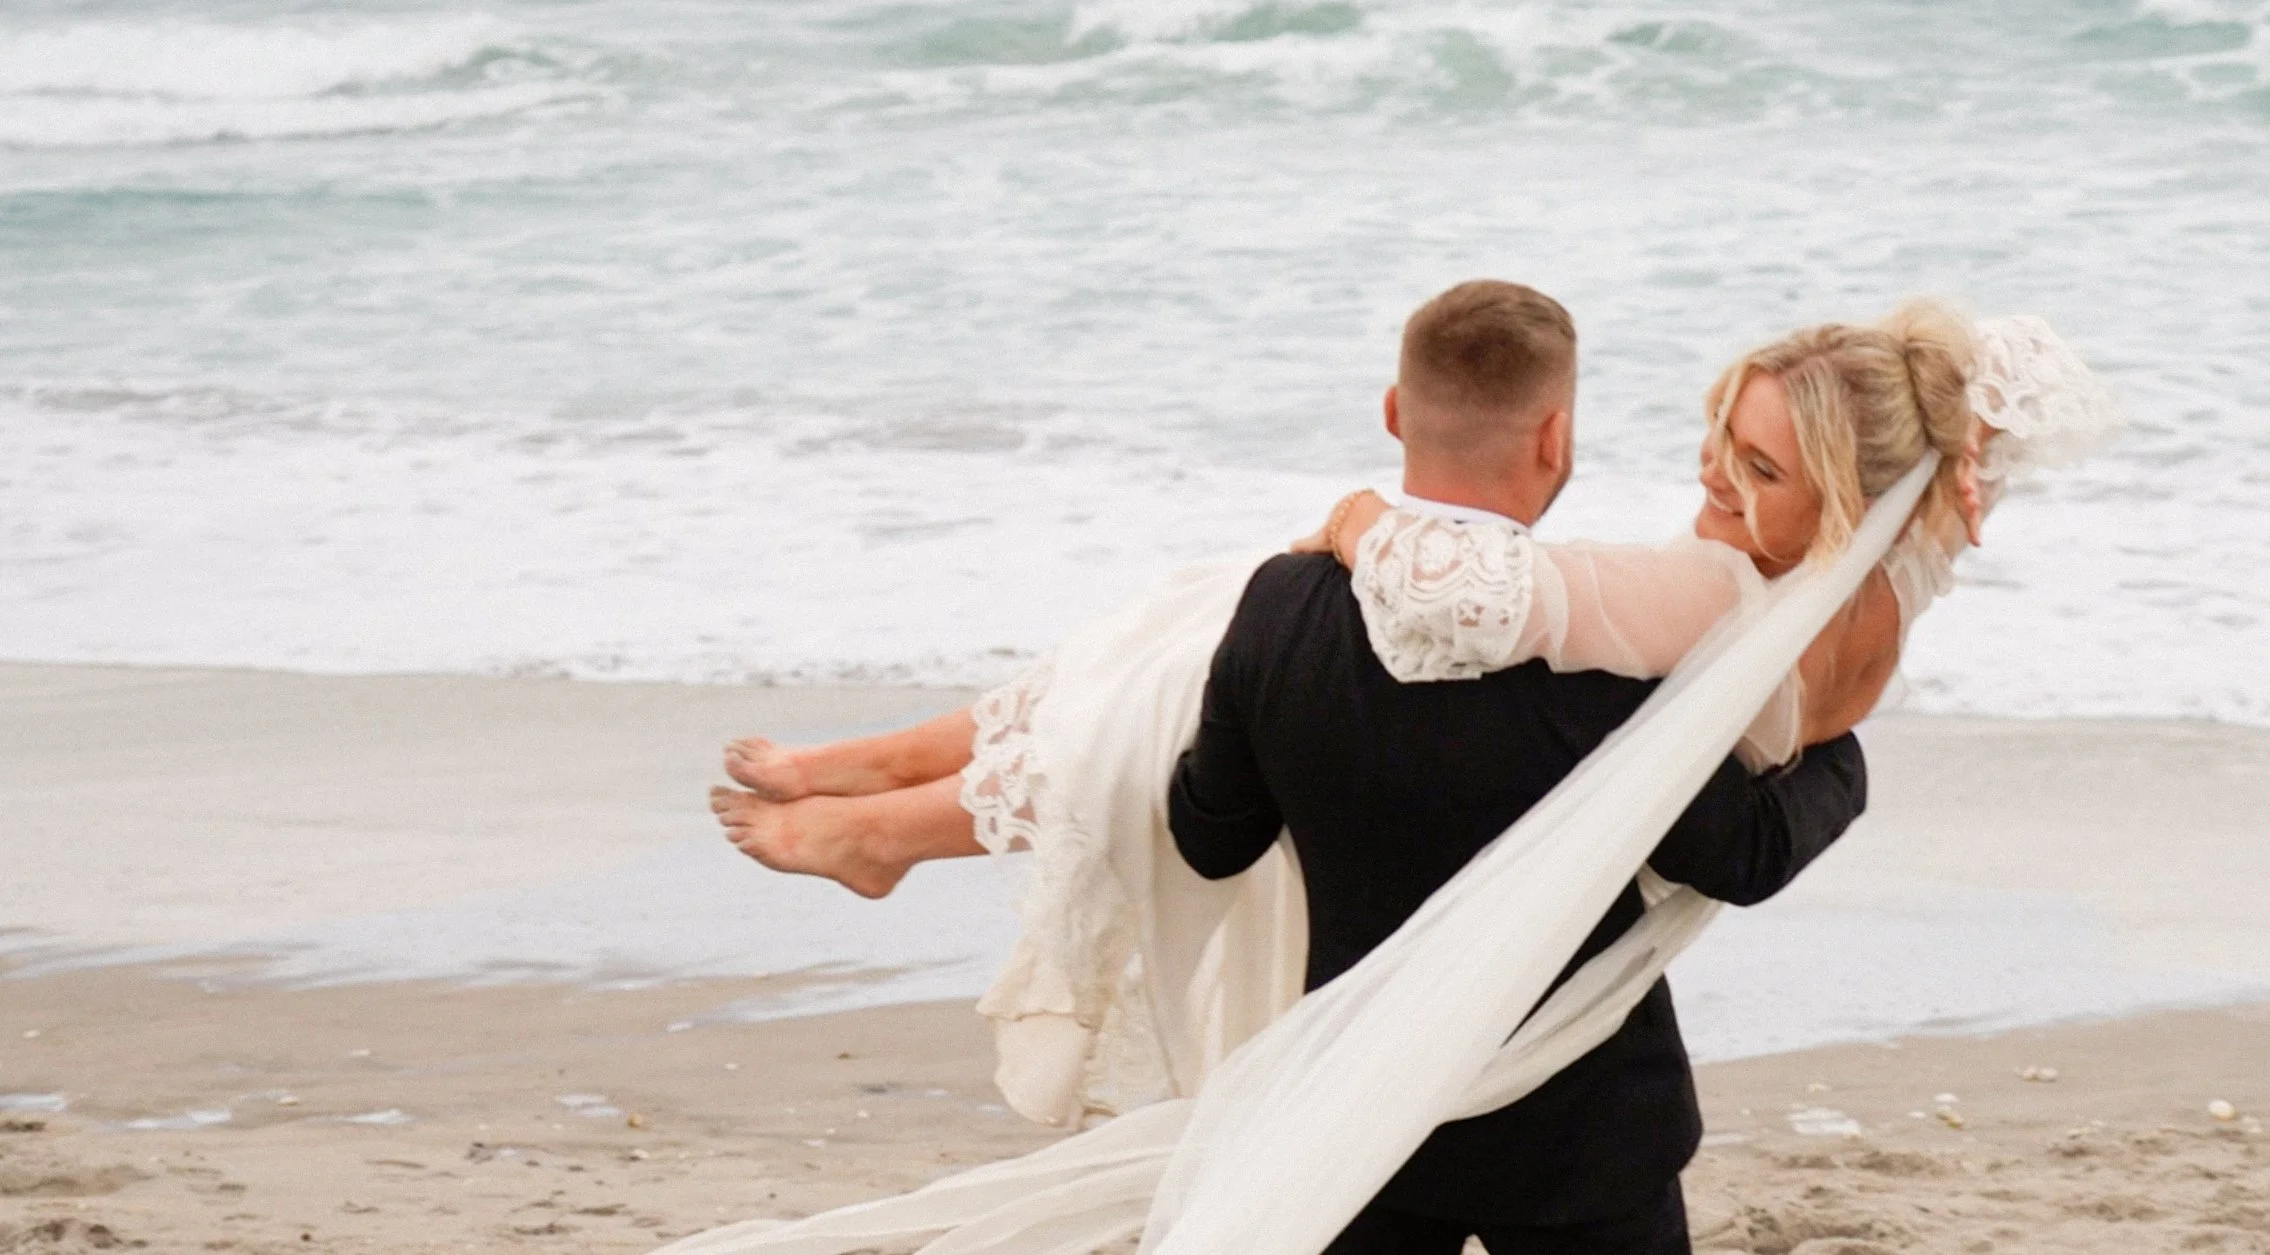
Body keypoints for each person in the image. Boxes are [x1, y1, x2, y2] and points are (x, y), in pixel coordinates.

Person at [707, 283, 2107, 1133]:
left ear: (1852, 500)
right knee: (1177, 635)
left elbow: (1470, 593)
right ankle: (875, 779)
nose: (1707, 477)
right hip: (1540, 865)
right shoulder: (1879, 593)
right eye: (1711, 437)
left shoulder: (1707, 592)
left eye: (1753, 466)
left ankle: (882, 813)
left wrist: (1360, 516)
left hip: (1452, 707)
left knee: (1183, 662)